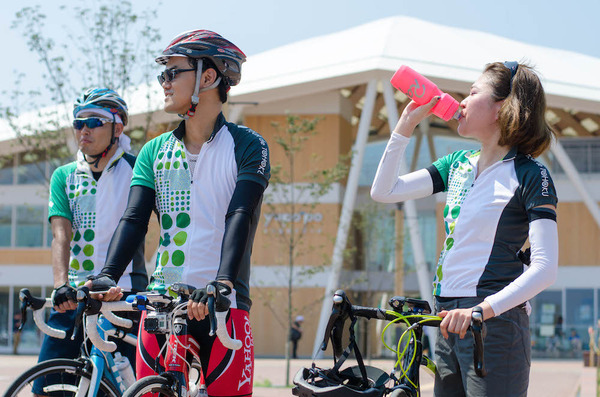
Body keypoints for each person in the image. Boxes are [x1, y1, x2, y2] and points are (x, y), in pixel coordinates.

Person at [87, 30, 270, 397]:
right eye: (163, 75)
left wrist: (223, 282)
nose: (164, 83)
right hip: (163, 302)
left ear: (208, 77)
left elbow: (241, 214)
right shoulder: (154, 151)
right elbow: (135, 218)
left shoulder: (248, 145)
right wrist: (108, 275)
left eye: (173, 73)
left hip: (223, 304)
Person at [371, 61, 558, 397]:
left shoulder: (531, 174)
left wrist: (480, 311)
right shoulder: (456, 163)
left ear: (501, 107)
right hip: (446, 319)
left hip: (494, 324)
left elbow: (545, 269)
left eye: (473, 93)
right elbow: (384, 191)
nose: (461, 103)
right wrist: (405, 124)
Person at [34, 88, 147, 393]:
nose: (83, 129)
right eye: (78, 122)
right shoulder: (64, 175)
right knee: (49, 388)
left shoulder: (138, 169)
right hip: (76, 293)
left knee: (133, 387)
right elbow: (61, 234)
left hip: (124, 294)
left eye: (94, 121)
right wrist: (60, 284)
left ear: (118, 128)